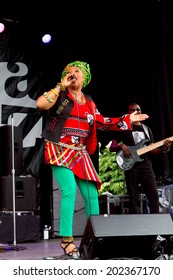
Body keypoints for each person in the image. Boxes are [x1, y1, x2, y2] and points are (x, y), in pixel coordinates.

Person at [36, 62, 149, 259]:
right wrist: (59, 85)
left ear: (85, 78)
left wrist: (128, 119)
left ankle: (96, 240)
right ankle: (66, 240)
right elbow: (41, 104)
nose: (73, 74)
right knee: (69, 191)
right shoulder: (60, 95)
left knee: (91, 196)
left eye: (77, 71)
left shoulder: (89, 102)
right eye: (69, 72)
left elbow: (103, 123)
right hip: (59, 149)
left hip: (79, 153)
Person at [109, 102, 172, 214]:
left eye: (138, 109)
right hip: (131, 165)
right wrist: (121, 145)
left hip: (146, 165)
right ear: (128, 113)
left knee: (153, 195)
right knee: (133, 197)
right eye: (132, 110)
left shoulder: (147, 129)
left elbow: (152, 149)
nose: (135, 111)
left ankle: (155, 222)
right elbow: (111, 146)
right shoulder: (124, 128)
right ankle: (137, 224)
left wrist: (164, 149)